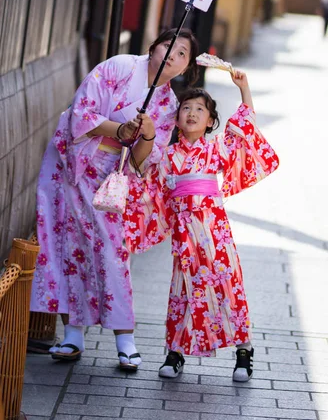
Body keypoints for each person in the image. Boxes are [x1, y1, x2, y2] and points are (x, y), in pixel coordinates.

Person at [30, 28, 199, 370]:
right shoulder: (119, 67)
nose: (173, 55)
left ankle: (125, 339)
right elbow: (82, 113)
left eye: (182, 54)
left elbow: (141, 161)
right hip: (73, 163)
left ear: (184, 69)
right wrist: (118, 130)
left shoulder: (168, 105)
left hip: (112, 176)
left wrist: (147, 134)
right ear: (153, 47)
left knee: (112, 252)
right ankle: (72, 335)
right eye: (169, 45)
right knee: (70, 244)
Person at [123, 71, 279, 381]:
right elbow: (141, 171)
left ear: (209, 122)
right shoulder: (167, 157)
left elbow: (244, 124)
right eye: (186, 108)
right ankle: (175, 352)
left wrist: (244, 86)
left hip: (216, 235)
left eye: (200, 109)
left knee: (228, 290)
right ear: (177, 119)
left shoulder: (216, 150)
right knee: (184, 292)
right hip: (185, 239)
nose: (192, 113)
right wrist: (144, 131)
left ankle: (243, 352)